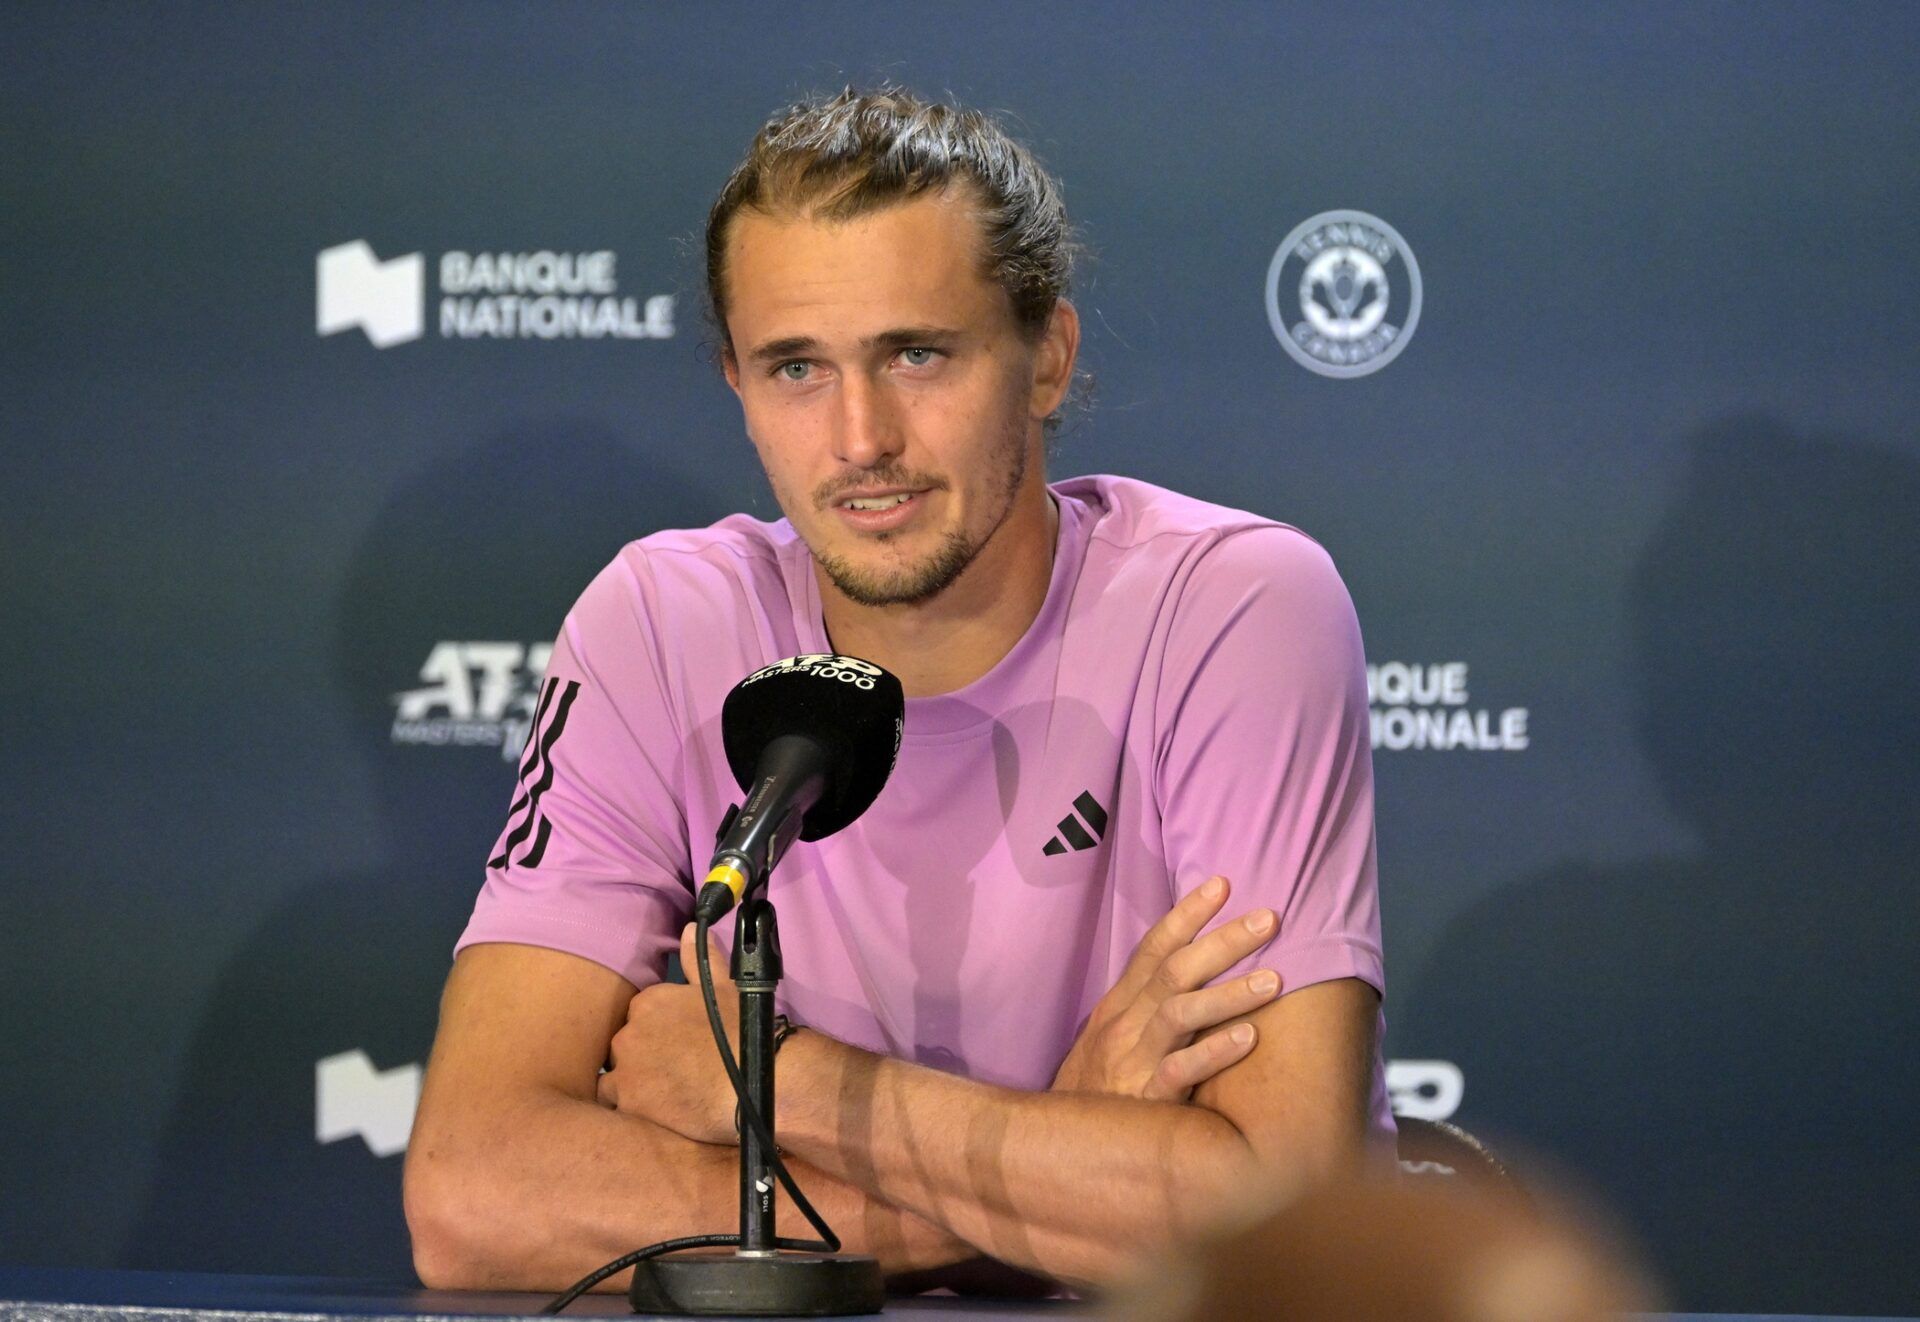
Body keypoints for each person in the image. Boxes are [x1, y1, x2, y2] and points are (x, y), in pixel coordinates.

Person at [404, 86, 1390, 1295]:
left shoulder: (1234, 608)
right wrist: (1034, 1167)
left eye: (917, 354)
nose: (860, 436)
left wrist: (795, 1082)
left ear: (1047, 358)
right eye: (797, 368)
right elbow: (473, 1188)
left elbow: (1279, 1215)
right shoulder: (657, 625)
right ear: (737, 384)